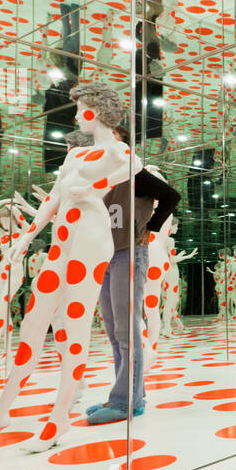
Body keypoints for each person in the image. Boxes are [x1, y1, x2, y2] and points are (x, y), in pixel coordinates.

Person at [84, 125, 180, 424]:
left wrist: (149, 229)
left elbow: (170, 196)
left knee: (126, 331)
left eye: (111, 134)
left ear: (122, 140)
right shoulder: (100, 178)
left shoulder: (134, 172)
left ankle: (126, 401)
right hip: (105, 254)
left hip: (128, 251)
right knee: (114, 332)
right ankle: (127, 395)